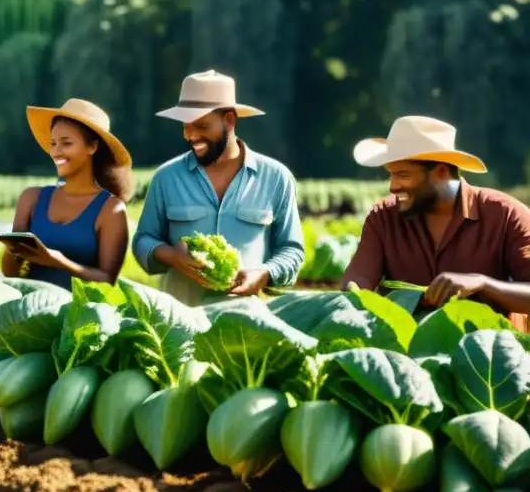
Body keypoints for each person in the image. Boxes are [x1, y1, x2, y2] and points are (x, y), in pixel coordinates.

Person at [132, 70, 305, 306]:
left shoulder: (276, 178)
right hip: (180, 320)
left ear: (230, 121)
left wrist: (264, 274)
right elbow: (143, 240)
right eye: (186, 127)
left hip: (247, 323)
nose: (191, 136)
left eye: (202, 126)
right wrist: (173, 257)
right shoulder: (166, 177)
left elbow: (291, 250)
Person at [341, 115, 530, 331]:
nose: (393, 187)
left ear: (440, 173)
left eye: (402, 175)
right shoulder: (383, 217)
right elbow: (357, 280)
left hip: (486, 359)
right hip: (403, 359)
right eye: (391, 176)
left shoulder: (506, 215)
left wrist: (483, 284)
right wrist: (355, 293)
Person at [0, 99, 133, 289]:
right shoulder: (31, 199)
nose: (56, 151)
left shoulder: (111, 210)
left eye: (66, 143)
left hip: (82, 315)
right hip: (30, 311)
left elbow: (108, 282)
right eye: (53, 143)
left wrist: (57, 261)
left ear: (92, 147)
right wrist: (13, 251)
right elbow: (10, 273)